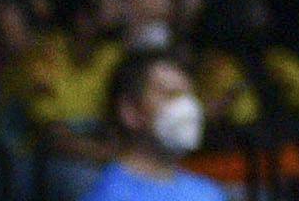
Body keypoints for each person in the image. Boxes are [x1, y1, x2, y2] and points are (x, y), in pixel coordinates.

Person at [74, 52, 222, 201]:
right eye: (170, 95)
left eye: (188, 96)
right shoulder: (108, 195)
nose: (188, 108)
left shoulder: (208, 192)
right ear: (130, 110)